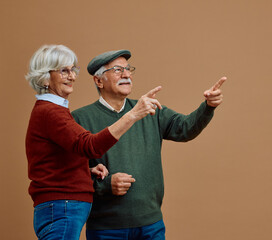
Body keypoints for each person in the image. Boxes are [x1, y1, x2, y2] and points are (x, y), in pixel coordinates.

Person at [71, 49, 226, 240]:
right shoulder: (80, 119)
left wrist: (208, 106)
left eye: (128, 69)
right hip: (106, 228)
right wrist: (104, 185)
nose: (126, 75)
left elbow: (186, 128)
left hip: (151, 225)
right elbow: (70, 174)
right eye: (118, 70)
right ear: (98, 80)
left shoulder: (149, 109)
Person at [25, 45, 160, 240]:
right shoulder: (50, 112)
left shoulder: (53, 110)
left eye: (73, 70)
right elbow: (90, 146)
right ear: (45, 77)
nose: (72, 76)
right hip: (62, 207)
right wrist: (132, 115)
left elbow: (54, 160)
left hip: (62, 207)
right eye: (64, 71)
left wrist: (85, 171)